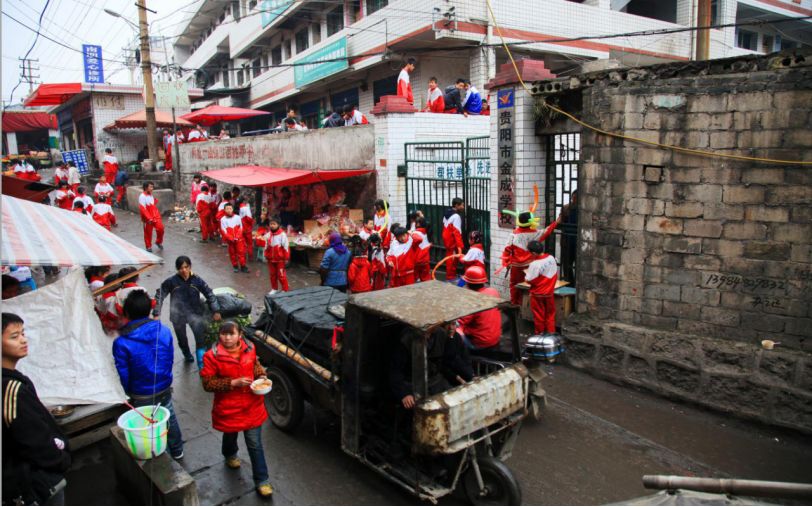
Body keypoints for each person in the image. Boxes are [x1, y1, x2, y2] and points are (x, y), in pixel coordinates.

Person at [2, 313, 71, 506]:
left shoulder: (13, 381)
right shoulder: (11, 390)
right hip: (35, 484)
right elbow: (34, 443)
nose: (23, 340)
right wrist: (62, 459)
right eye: (14, 337)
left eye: (23, 333)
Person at [200, 321, 274, 498]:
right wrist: (232, 383)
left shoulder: (250, 349)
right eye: (224, 334)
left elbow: (255, 366)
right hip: (228, 406)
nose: (227, 338)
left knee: (255, 444)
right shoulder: (211, 356)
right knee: (230, 433)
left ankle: (262, 480)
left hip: (251, 404)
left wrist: (262, 375)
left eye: (231, 334)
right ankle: (230, 454)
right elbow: (207, 383)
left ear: (240, 335)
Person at [113, 291, 185, 460]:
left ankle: (158, 452)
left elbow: (123, 373)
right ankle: (177, 449)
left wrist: (126, 391)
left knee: (148, 423)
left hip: (140, 392)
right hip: (164, 384)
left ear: (127, 313)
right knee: (168, 415)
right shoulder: (164, 330)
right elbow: (169, 357)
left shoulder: (122, 342)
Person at [154, 256, 222, 365]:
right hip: (178, 316)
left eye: (186, 267)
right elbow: (160, 295)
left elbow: (209, 293)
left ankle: (201, 362)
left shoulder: (197, 280)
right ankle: (186, 353)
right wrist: (157, 312)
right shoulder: (171, 281)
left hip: (195, 314)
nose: (184, 270)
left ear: (190, 267)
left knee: (200, 339)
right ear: (177, 269)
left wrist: (216, 310)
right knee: (182, 339)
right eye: (181, 268)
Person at [389, 324, 473, 410]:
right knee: (423, 410)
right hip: (412, 384)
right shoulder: (406, 339)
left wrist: (459, 376)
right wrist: (404, 394)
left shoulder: (441, 334)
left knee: (455, 401)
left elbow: (448, 360)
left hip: (436, 381)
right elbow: (395, 371)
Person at [501, 212, 559, 306]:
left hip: (516, 266)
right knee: (528, 286)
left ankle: (514, 304)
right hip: (530, 266)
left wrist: (507, 263)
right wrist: (556, 222)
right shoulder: (535, 233)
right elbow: (547, 231)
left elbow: (506, 250)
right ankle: (525, 305)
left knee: (514, 285)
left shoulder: (513, 235)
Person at [456, 266, 502, 351]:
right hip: (495, 338)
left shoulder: (472, 302)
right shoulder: (493, 291)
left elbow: (459, 323)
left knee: (453, 333)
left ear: (467, 284)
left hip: (480, 343)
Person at [525, 240, 558, 335]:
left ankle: (539, 335)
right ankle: (551, 334)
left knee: (539, 316)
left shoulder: (535, 264)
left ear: (534, 253)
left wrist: (526, 275)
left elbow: (529, 279)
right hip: (549, 293)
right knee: (550, 315)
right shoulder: (551, 258)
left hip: (538, 294)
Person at [263, 216, 290, 294]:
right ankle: (274, 288)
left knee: (281, 275)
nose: (272, 225)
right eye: (271, 224)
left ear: (278, 225)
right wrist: (265, 254)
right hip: (270, 259)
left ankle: (285, 289)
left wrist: (286, 258)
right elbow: (266, 245)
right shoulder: (268, 235)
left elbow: (286, 247)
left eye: (274, 224)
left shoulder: (282, 235)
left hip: (280, 259)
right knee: (272, 275)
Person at [221, 203, 249, 273]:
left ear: (232, 209)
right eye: (227, 209)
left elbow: (241, 228)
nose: (229, 210)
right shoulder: (223, 219)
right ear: (224, 210)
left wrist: (237, 237)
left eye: (230, 208)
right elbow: (223, 230)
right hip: (230, 240)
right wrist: (231, 238)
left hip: (239, 239)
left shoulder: (237, 217)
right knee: (232, 253)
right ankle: (235, 266)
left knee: (241, 252)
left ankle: (243, 266)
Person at [558, 190, 578, 286]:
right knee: (567, 266)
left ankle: (577, 286)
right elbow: (559, 221)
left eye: (576, 199)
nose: (574, 200)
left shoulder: (584, 211)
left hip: (578, 242)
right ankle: (570, 285)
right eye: (573, 198)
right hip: (567, 241)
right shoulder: (566, 208)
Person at [442, 197, 465, 282]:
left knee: (449, 258)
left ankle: (451, 275)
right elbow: (457, 232)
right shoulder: (456, 216)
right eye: (462, 205)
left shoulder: (447, 213)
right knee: (452, 260)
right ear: (456, 205)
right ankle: (450, 277)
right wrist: (460, 246)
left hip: (447, 240)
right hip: (452, 241)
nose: (463, 207)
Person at [139, 182, 165, 252]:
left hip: (155, 216)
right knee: (148, 232)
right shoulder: (142, 196)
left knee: (161, 229)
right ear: (146, 187)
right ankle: (148, 246)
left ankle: (158, 242)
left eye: (152, 187)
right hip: (148, 218)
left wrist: (155, 201)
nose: (152, 188)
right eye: (150, 187)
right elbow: (143, 209)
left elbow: (152, 205)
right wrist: (149, 218)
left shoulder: (150, 195)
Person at [413, 217, 432, 282]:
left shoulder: (415, 233)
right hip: (425, 260)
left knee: (414, 279)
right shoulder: (426, 232)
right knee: (426, 279)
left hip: (416, 260)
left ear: (417, 224)